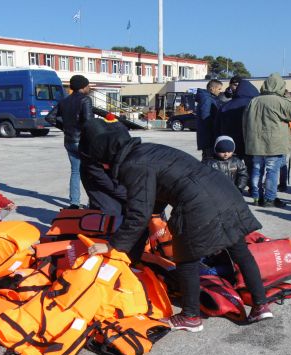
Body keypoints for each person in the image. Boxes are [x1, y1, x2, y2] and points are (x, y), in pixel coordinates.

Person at [80, 118, 272, 332]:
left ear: (107, 157)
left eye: (102, 163)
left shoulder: (132, 166)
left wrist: (112, 246)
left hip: (198, 203)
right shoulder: (148, 150)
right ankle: (261, 305)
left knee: (186, 258)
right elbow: (160, 190)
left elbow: (138, 214)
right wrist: (142, 233)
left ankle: (190, 316)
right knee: (240, 251)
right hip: (224, 192)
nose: (104, 167)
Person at [243, 73, 291, 208]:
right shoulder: (281, 101)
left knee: (257, 169)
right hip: (274, 144)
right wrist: (289, 98)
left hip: (256, 143)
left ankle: (256, 197)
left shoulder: (254, 100)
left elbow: (245, 122)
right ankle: (270, 199)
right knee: (272, 171)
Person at [45, 74, 93, 209]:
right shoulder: (86, 100)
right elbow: (89, 122)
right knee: (90, 172)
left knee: (75, 171)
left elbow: (50, 118)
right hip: (83, 141)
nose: (89, 88)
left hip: (69, 140)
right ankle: (93, 202)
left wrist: (65, 127)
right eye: (88, 85)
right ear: (83, 87)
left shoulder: (64, 101)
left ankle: (74, 203)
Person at [214, 79, 259, 169]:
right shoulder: (256, 105)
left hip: (232, 141)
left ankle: (233, 182)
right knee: (252, 166)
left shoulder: (226, 105)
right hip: (250, 141)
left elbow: (217, 126)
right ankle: (251, 182)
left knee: (232, 167)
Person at [195, 79, 223, 162]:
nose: (220, 91)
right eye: (219, 89)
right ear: (212, 88)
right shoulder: (206, 99)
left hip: (207, 136)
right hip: (208, 137)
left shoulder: (208, 98)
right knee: (209, 160)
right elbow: (206, 117)